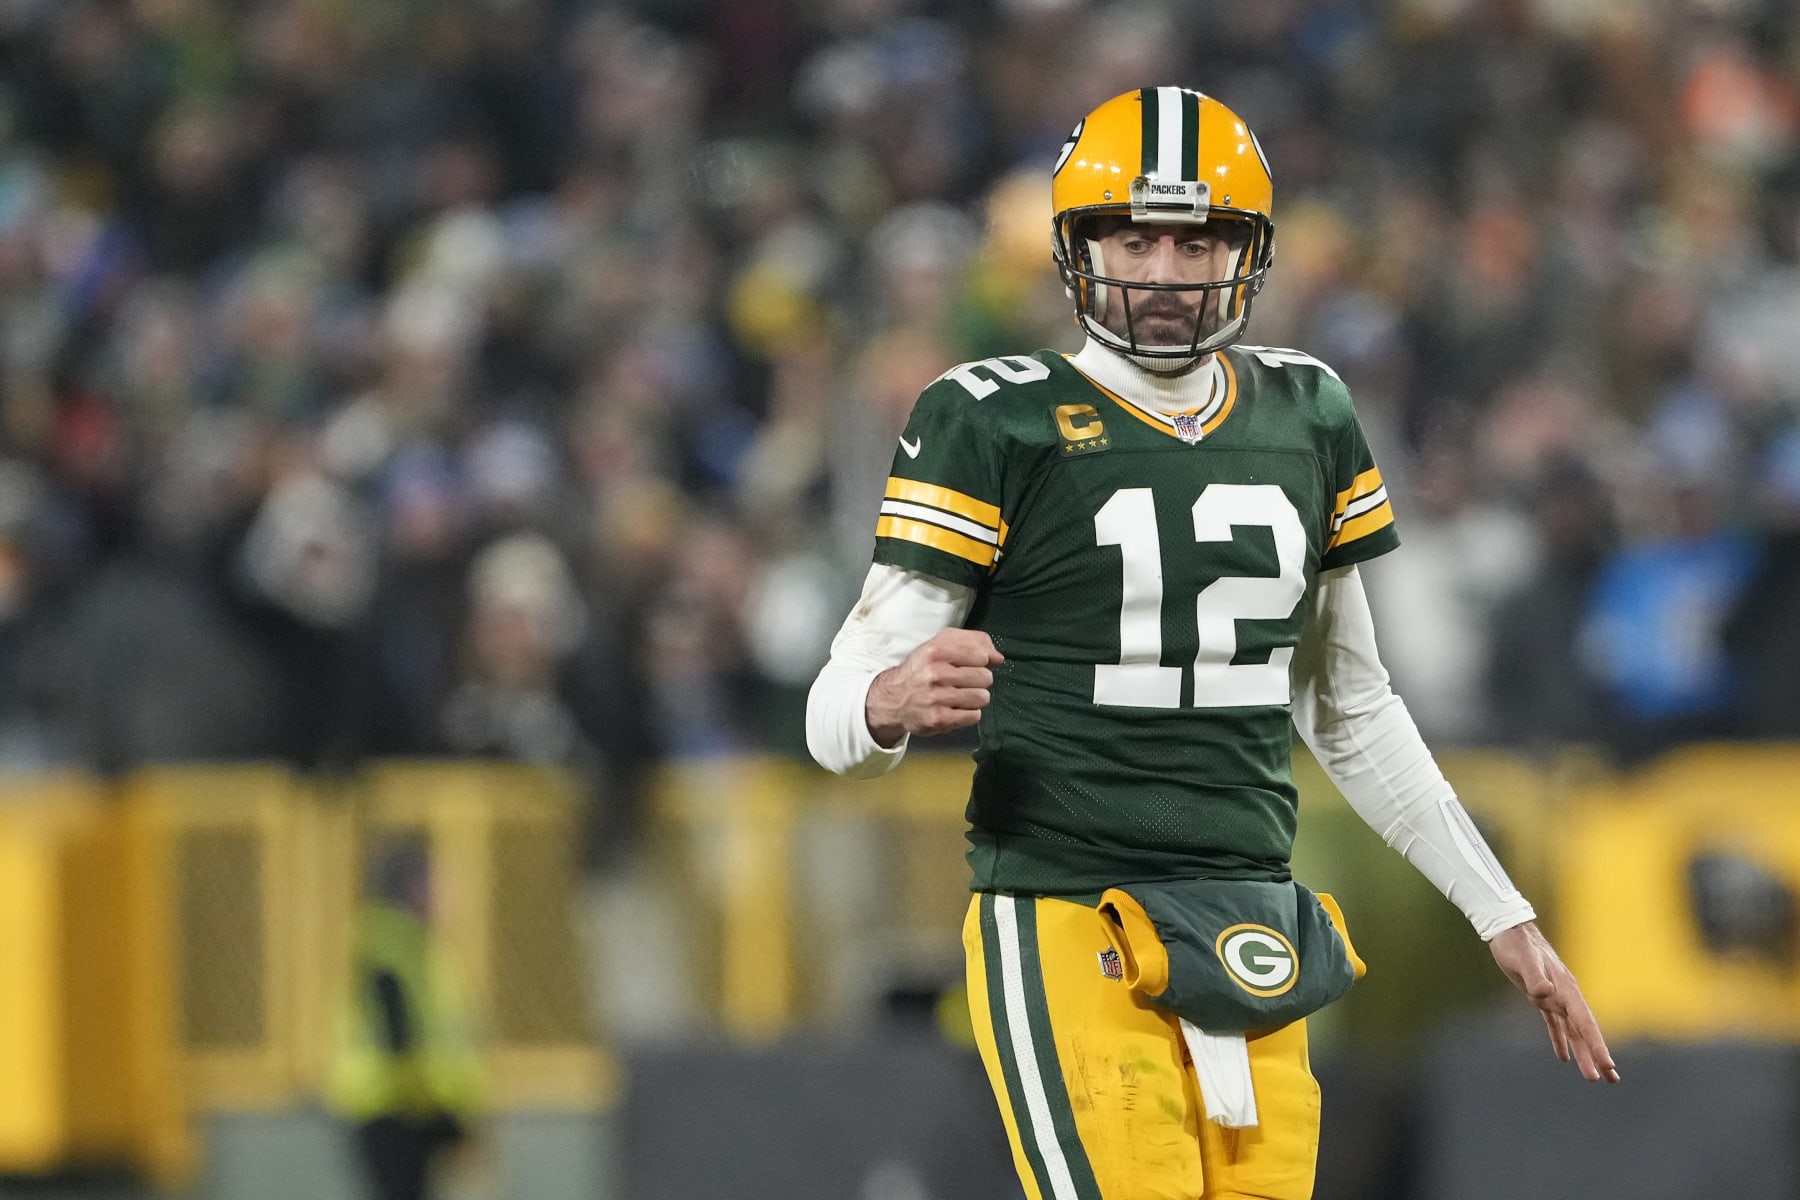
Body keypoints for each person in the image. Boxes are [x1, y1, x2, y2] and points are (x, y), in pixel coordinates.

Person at [806, 87, 1617, 1200]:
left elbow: (1351, 707)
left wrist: (1502, 914)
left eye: (1199, 240)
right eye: (1134, 237)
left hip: (1250, 917)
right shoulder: (988, 417)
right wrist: (888, 703)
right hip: (1065, 908)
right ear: (1077, 246)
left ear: (1248, 252)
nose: (1167, 270)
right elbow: (833, 712)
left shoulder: (1309, 410)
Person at [328, 843, 484, 1200]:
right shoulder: (390, 948)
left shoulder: (415, 945)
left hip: (409, 1110)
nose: (447, 895)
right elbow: (400, 1040)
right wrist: (440, 1117)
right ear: (413, 888)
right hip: (393, 1110)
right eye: (436, 884)